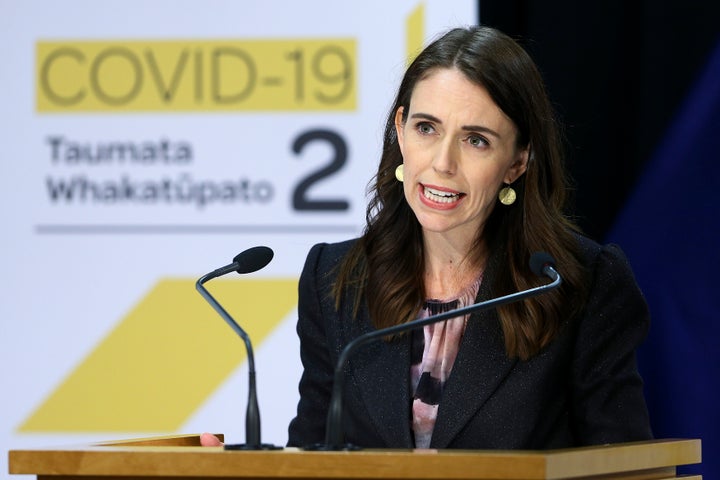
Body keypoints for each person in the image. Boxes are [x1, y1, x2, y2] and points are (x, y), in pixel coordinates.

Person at [203, 24, 653, 450]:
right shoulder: (335, 280)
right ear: (400, 130)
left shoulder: (579, 284)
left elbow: (625, 467)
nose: (442, 162)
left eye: (476, 139)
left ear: (518, 161)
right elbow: (316, 454)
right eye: (426, 128)